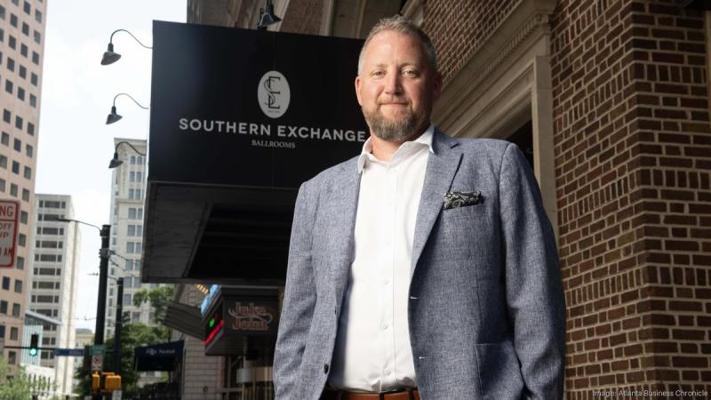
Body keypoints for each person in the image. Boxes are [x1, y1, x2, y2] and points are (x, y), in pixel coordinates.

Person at [273, 15, 565, 400]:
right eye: (378, 73)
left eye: (409, 71)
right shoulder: (317, 194)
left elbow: (536, 301)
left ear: (435, 84)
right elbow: (297, 325)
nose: (391, 86)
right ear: (359, 89)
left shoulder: (495, 166)